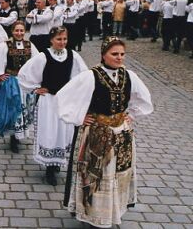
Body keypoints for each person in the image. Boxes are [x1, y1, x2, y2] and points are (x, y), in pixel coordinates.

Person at [58, 36, 153, 228]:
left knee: (118, 173)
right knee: (97, 176)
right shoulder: (91, 75)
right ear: (104, 55)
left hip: (121, 134)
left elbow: (143, 98)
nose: (119, 58)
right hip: (98, 134)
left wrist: (131, 115)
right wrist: (79, 117)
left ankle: (113, 211)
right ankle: (94, 215)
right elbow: (65, 97)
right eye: (114, 54)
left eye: (122, 54)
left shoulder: (129, 75)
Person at [18, 26, 87, 186]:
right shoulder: (43, 57)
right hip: (49, 100)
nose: (62, 42)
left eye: (64, 39)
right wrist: (35, 88)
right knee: (49, 131)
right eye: (58, 39)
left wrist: (76, 93)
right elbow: (24, 74)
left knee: (64, 130)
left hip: (65, 100)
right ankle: (49, 167)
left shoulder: (73, 56)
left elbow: (83, 76)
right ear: (51, 40)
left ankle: (57, 162)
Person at [0, 21, 38, 153]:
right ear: (12, 31)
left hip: (25, 82)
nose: (19, 33)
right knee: (13, 109)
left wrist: (35, 79)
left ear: (25, 31)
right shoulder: (6, 46)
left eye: (22, 31)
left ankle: (19, 135)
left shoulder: (29, 45)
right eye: (17, 30)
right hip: (12, 82)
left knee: (24, 108)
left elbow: (37, 62)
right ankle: (13, 138)